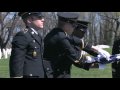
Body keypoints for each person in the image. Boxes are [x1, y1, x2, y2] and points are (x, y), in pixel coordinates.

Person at [43, 12, 109, 78]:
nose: (73, 28)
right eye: (73, 25)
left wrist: (95, 49)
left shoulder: (57, 33)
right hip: (56, 74)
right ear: (67, 23)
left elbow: (75, 40)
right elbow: (75, 57)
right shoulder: (61, 38)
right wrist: (97, 62)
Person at [9, 12, 45, 78]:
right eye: (39, 17)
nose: (43, 19)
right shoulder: (23, 35)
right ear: (29, 20)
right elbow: (17, 60)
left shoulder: (38, 35)